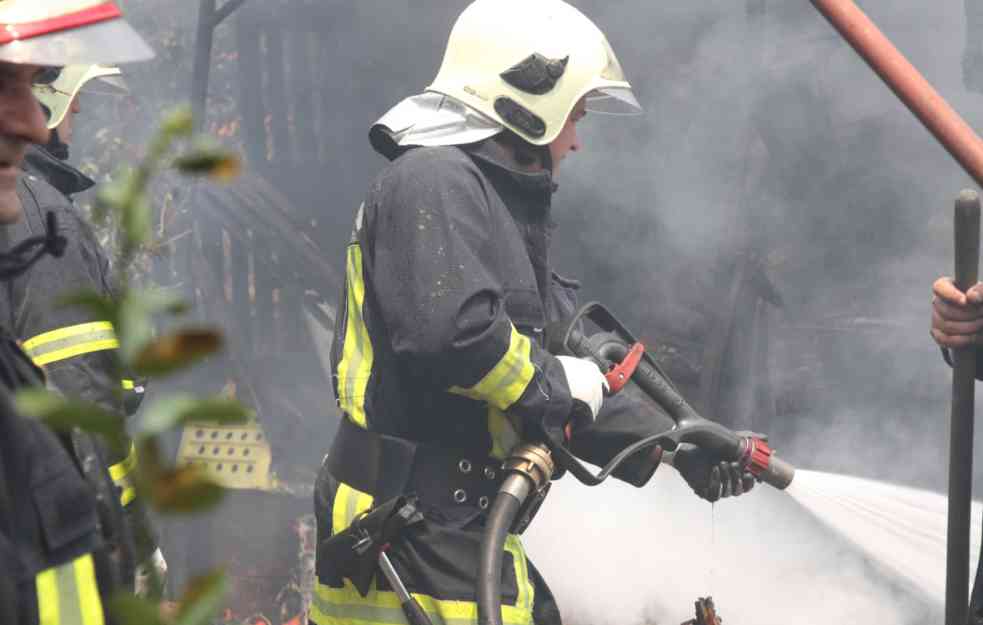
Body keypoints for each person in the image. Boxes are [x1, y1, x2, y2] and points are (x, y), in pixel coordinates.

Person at [313, 2, 755, 624]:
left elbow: (571, 358)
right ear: (526, 100)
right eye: (573, 115)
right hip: (413, 527)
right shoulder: (431, 181)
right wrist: (555, 383)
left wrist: (676, 447)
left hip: (455, 522)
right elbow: (454, 337)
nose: (576, 140)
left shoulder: (485, 201)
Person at [0, 1, 153, 623]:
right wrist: (117, 529)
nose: (34, 124)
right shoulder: (42, 211)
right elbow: (78, 388)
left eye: (33, 84)